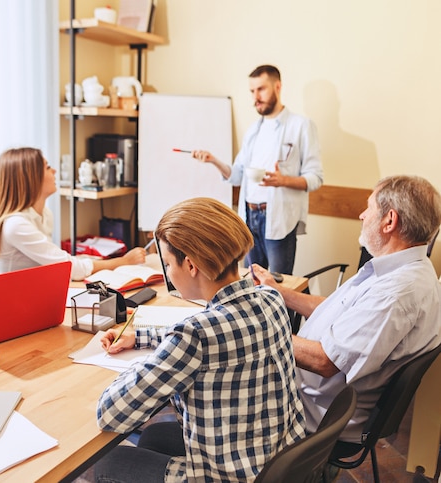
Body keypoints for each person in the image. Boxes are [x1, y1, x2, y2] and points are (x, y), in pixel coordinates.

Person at [94, 197, 306, 482]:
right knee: (156, 434)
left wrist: (150, 360)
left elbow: (110, 412)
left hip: (224, 477)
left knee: (106, 462)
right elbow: (222, 339)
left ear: (191, 265)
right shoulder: (271, 299)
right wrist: (145, 338)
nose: (168, 272)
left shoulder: (195, 336)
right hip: (276, 462)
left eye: (168, 264)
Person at [251, 175, 441, 443]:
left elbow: (325, 361)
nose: (362, 215)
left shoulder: (398, 292)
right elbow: (336, 310)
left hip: (314, 413)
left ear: (389, 221)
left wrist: (253, 330)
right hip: (313, 393)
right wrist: (278, 291)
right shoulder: (400, 268)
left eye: (369, 208)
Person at [192, 64, 323, 275]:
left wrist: (284, 180)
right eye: (252, 91)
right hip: (248, 218)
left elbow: (315, 177)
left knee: (280, 287)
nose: (256, 97)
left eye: (261, 89)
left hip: (279, 219)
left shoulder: (301, 126)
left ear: (277, 87)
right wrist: (213, 160)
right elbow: (237, 176)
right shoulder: (253, 130)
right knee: (250, 282)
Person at [0, 147, 146, 280]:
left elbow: (59, 263)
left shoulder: (44, 215)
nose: (54, 171)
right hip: (12, 309)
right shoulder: (16, 225)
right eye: (48, 167)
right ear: (31, 179)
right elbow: (68, 268)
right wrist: (124, 261)